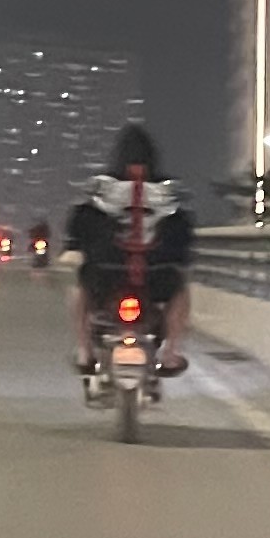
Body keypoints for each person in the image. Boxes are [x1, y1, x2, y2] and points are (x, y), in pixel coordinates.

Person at [64, 120, 192, 377]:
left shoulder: (103, 186)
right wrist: (180, 257)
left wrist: (77, 247)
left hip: (105, 274)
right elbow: (181, 230)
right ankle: (170, 353)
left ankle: (85, 350)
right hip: (156, 275)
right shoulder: (166, 189)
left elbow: (81, 222)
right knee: (180, 292)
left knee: (80, 291)